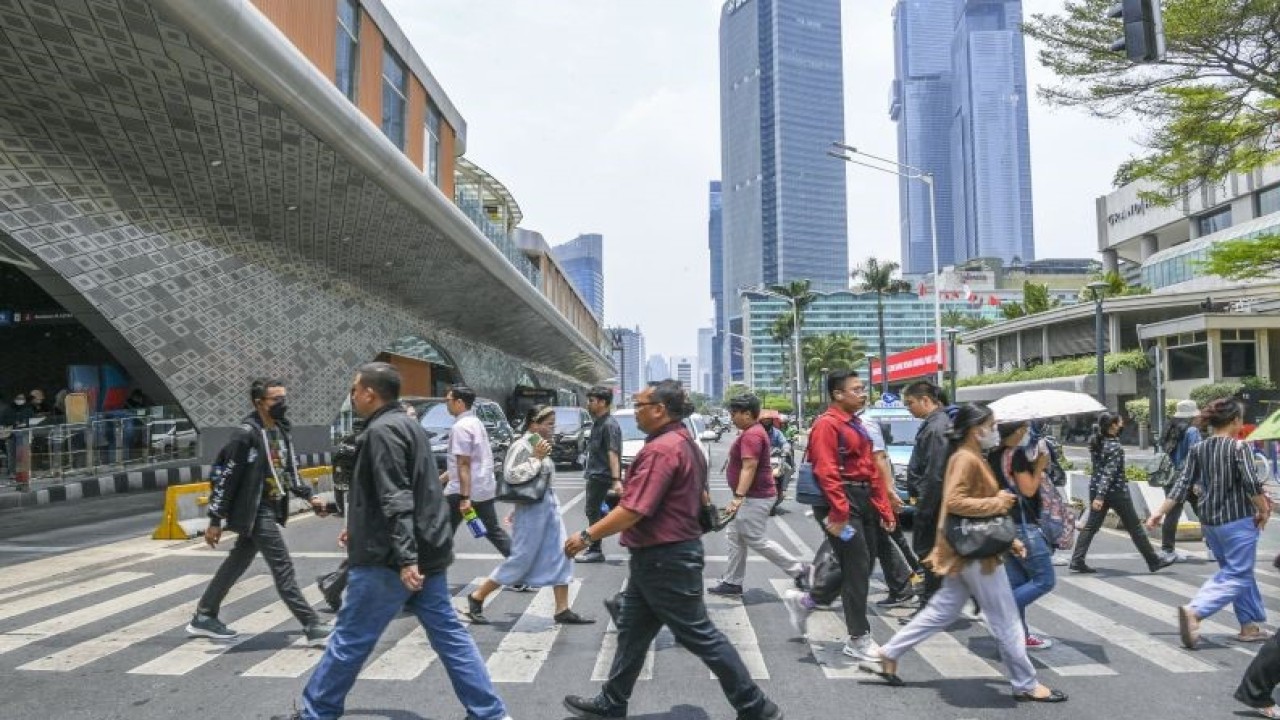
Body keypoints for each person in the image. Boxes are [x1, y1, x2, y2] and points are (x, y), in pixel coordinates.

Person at [296, 362, 510, 720]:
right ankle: (490, 713)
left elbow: (396, 496)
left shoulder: (382, 431)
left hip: (388, 559)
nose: (352, 396)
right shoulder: (409, 426)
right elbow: (405, 490)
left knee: (351, 638)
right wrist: (359, 526)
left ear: (370, 393)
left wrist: (406, 557)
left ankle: (316, 713)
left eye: (354, 389)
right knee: (450, 636)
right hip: (426, 551)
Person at [561, 380, 783, 720]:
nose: (635, 411)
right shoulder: (684, 442)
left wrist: (587, 535)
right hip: (658, 556)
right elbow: (698, 496)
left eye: (639, 405)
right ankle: (612, 702)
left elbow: (634, 509)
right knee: (633, 632)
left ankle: (756, 706)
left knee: (699, 634)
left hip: (666, 558)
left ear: (659, 410)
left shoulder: (662, 449)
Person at [860, 404, 1068, 704]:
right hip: (976, 555)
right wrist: (998, 502)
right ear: (975, 429)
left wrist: (1008, 539)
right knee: (1006, 618)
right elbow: (956, 502)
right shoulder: (966, 459)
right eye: (991, 425)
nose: (995, 431)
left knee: (941, 611)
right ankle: (1025, 683)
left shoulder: (970, 456)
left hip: (967, 550)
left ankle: (887, 654)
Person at [187, 378, 332, 646]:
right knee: (282, 566)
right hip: (254, 510)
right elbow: (225, 477)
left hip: (270, 505)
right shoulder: (245, 435)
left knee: (237, 562)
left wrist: (309, 496)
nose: (282, 404)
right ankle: (311, 624)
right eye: (276, 399)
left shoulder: (280, 429)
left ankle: (204, 615)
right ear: (259, 403)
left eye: (284, 398)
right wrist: (215, 519)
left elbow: (288, 469)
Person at [781, 370, 896, 662]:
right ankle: (858, 637)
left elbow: (871, 469)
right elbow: (826, 470)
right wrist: (840, 512)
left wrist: (883, 508)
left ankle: (807, 601)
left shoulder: (856, 424)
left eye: (863, 388)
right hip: (839, 507)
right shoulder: (827, 425)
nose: (863, 393)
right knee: (857, 564)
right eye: (856, 389)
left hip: (862, 501)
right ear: (838, 394)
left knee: (862, 563)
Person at [1146, 398, 1271, 648]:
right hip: (1237, 521)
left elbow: (1182, 484)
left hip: (1211, 523)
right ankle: (1196, 611)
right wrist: (1264, 509)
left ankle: (1249, 627)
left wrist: (1159, 512)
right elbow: (1251, 484)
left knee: (1236, 572)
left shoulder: (1199, 448)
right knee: (1238, 574)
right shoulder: (1239, 448)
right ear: (1235, 420)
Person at [463, 405, 594, 626]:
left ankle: (562, 609)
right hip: (532, 510)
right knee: (521, 558)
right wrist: (536, 459)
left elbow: (537, 481)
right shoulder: (522, 445)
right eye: (549, 424)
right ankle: (477, 596)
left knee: (563, 553)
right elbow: (511, 476)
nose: (553, 428)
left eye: (554, 424)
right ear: (534, 423)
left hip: (547, 504)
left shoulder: (538, 443)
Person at [708, 393, 807, 596]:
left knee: (754, 538)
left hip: (756, 496)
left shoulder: (752, 435)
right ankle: (732, 582)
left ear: (747, 414)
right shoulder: (752, 432)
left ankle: (800, 571)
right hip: (752, 496)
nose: (731, 417)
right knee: (735, 537)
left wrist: (738, 497)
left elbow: (749, 466)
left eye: (734, 413)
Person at [1069, 411, 1171, 574]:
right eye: (1120, 421)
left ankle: (1077, 559)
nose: (1123, 424)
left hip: (1096, 488)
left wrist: (1098, 495)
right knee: (1135, 527)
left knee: (1091, 526)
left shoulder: (1096, 441)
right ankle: (1154, 561)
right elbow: (1109, 472)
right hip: (1116, 492)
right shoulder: (1114, 447)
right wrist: (1101, 496)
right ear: (1113, 426)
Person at [990, 421, 1057, 650]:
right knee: (1044, 580)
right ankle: (1002, 615)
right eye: (1025, 429)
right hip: (1022, 526)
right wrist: (1039, 467)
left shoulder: (994, 454)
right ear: (1018, 431)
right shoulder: (1015, 454)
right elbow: (1028, 489)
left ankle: (1018, 636)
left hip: (1003, 524)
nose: (1027, 433)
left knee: (1016, 583)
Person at [440, 385, 513, 557]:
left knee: (441, 532)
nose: (446, 403)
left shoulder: (460, 427)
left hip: (462, 491)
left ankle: (431, 567)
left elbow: (464, 463)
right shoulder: (476, 423)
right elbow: (467, 462)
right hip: (482, 489)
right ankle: (522, 564)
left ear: (459, 402)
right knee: (494, 532)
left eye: (448, 400)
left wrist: (465, 498)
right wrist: (440, 480)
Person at [902, 380, 951, 616]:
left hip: (933, 504)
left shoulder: (937, 427)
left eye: (910, 403)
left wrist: (925, 508)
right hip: (929, 501)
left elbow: (935, 473)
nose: (908, 408)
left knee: (929, 555)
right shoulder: (932, 424)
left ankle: (930, 607)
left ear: (925, 400)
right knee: (929, 554)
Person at [860, 409, 917, 609]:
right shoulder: (854, 422)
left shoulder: (864, 423)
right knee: (887, 539)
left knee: (883, 540)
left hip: (872, 494)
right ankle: (909, 582)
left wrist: (889, 493)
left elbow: (880, 459)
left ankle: (822, 590)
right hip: (870, 494)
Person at [579, 385, 622, 563]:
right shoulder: (598, 422)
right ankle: (599, 537)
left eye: (591, 401)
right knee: (596, 511)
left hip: (601, 476)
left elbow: (613, 452)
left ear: (603, 402)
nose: (588, 404)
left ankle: (595, 550)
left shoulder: (609, 425)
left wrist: (616, 479)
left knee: (593, 511)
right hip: (595, 474)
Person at [1157, 400, 1204, 563]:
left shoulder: (1170, 429)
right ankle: (1214, 547)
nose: (1199, 418)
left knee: (1172, 515)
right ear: (1192, 416)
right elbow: (1197, 456)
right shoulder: (1192, 431)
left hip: (1171, 478)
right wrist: (1199, 480)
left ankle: (1167, 550)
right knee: (1204, 513)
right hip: (1189, 478)